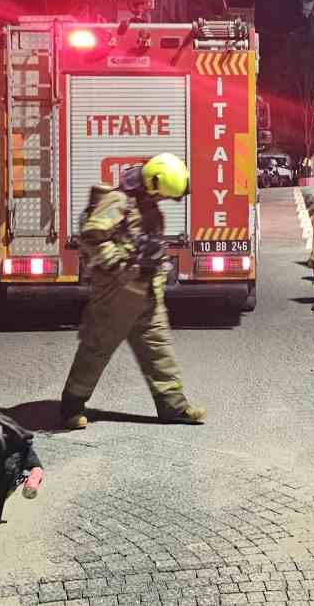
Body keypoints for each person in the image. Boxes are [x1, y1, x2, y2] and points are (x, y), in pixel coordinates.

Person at [60, 152, 205, 430]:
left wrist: (154, 259)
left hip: (147, 290)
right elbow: (91, 235)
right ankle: (71, 406)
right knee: (96, 349)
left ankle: (173, 407)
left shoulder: (146, 203)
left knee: (158, 348)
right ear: (153, 182)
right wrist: (117, 262)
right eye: (162, 195)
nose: (163, 201)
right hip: (116, 293)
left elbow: (143, 239)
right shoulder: (118, 201)